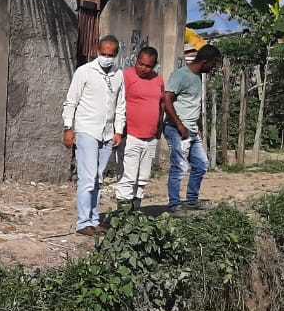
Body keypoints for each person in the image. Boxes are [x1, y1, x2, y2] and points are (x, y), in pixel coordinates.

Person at [62, 35, 125, 236]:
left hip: (107, 133)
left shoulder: (118, 75)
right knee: (87, 178)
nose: (107, 57)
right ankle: (83, 222)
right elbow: (71, 101)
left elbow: (120, 105)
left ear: (116, 54)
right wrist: (68, 128)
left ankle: (95, 219)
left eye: (111, 54)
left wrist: (118, 130)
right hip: (87, 129)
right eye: (104, 53)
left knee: (98, 178)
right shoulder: (85, 72)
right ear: (97, 51)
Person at [162, 44, 222, 213]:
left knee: (202, 164)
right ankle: (174, 205)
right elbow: (167, 100)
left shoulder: (197, 77)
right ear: (204, 61)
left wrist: (194, 128)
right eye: (213, 64)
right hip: (177, 128)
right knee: (180, 166)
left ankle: (191, 200)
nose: (213, 69)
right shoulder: (181, 75)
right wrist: (179, 125)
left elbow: (191, 106)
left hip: (191, 130)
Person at [114, 46, 165, 209]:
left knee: (143, 178)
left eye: (148, 66)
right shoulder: (126, 76)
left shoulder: (158, 79)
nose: (144, 68)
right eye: (141, 64)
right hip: (131, 135)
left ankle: (135, 213)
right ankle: (122, 216)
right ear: (136, 60)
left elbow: (162, 103)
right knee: (128, 177)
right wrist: (120, 130)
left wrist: (159, 127)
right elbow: (117, 103)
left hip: (151, 137)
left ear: (154, 65)